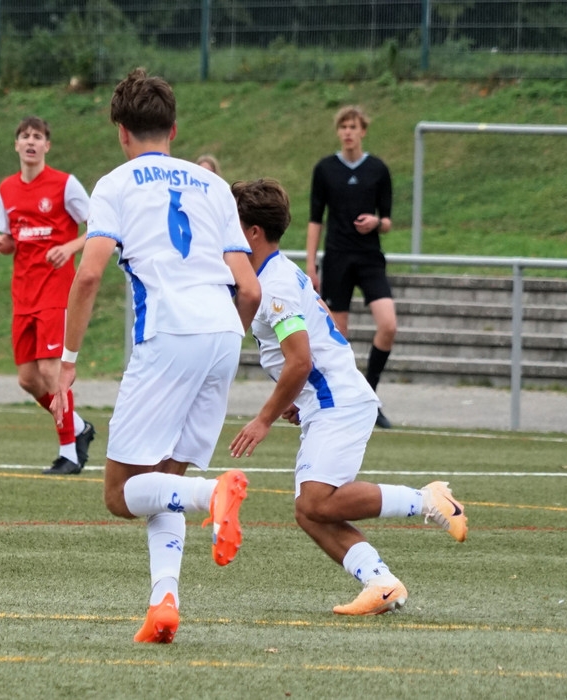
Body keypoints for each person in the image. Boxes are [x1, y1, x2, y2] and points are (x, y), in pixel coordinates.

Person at [51, 68, 261, 643]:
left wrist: (68, 360)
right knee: (164, 480)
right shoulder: (214, 186)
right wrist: (224, 339)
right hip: (223, 334)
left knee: (121, 494)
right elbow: (250, 289)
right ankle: (163, 603)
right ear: (174, 128)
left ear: (122, 132)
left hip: (168, 335)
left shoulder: (115, 184)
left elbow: (88, 274)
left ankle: (213, 494)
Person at [228, 178, 468, 616]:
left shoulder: (275, 284)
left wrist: (264, 418)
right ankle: (380, 583)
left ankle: (427, 500)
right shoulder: (275, 273)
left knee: (316, 501)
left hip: (338, 401)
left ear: (253, 233)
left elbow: (300, 360)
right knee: (309, 510)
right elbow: (311, 342)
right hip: (327, 400)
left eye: (231, 225)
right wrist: (299, 398)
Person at [0, 116, 94, 475]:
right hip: (23, 291)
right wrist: (1, 244)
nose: (30, 141)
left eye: (37, 136)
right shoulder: (7, 188)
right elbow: (13, 239)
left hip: (56, 290)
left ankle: (69, 453)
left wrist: (71, 246)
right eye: (25, 136)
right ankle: (79, 427)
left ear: (47, 145)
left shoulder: (65, 184)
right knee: (28, 379)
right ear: (16, 144)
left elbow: (100, 226)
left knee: (50, 369)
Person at [305, 105, 396, 429]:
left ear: (363, 131)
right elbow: (315, 220)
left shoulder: (378, 169)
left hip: (369, 258)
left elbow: (388, 222)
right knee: (337, 336)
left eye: (353, 126)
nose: (347, 132)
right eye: (343, 126)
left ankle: (370, 394)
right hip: (337, 258)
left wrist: (376, 222)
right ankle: (343, 404)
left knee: (388, 325)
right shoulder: (325, 169)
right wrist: (311, 264)